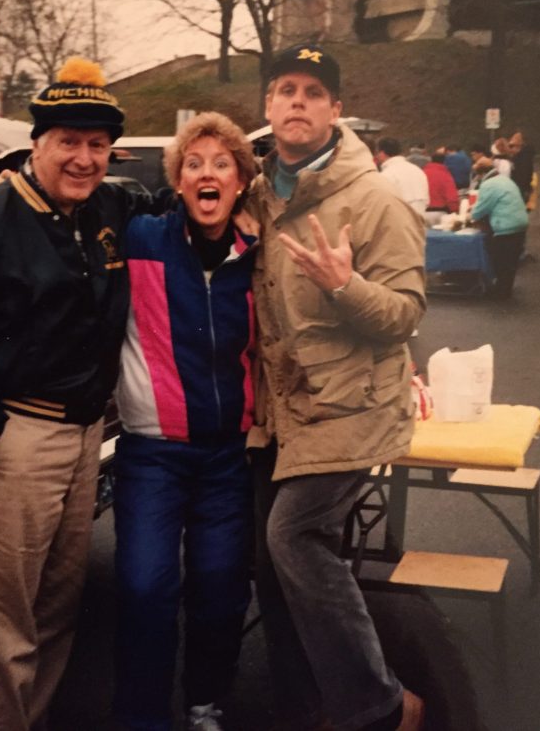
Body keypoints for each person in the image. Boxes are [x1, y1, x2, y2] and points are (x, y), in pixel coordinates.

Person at [0, 57, 142, 731]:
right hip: (21, 438)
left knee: (57, 609)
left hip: (85, 437)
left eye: (97, 144)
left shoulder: (107, 207)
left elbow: (175, 200)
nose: (83, 156)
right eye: (68, 140)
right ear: (36, 143)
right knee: (4, 624)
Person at [247, 44, 427, 731]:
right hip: (282, 411)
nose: (297, 101)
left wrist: (344, 285)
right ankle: (305, 707)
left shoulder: (376, 200)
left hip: (352, 407)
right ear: (268, 105)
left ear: (336, 110)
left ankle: (383, 706)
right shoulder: (260, 192)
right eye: (286, 88)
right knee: (267, 561)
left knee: (293, 536)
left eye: (314, 91)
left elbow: (406, 312)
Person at [111, 113, 259, 731]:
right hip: (152, 455)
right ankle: (143, 714)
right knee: (145, 588)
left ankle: (205, 701)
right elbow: (87, 196)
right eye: (193, 163)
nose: (207, 173)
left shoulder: (259, 255)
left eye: (221, 163)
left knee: (222, 590)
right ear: (176, 180)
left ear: (241, 183)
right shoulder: (141, 236)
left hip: (228, 457)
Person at [469, 157, 529, 299]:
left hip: (505, 226)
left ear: (482, 173)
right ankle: (505, 289)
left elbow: (481, 209)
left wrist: (470, 213)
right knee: (511, 262)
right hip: (520, 223)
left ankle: (500, 292)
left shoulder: (489, 184)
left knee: (500, 260)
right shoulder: (506, 180)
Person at [375, 137, 429, 217]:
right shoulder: (417, 170)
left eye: (377, 153)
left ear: (382, 153)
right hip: (420, 219)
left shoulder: (386, 174)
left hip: (397, 221)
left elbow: (381, 203)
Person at [423, 151, 460, 217]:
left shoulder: (423, 173)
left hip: (423, 212)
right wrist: (455, 210)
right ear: (444, 162)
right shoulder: (445, 175)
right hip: (440, 212)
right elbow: (451, 197)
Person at [508, 131, 535, 204]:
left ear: (519, 146)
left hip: (520, 190)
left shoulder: (523, 159)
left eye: (512, 146)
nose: (510, 149)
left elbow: (523, 177)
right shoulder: (524, 157)